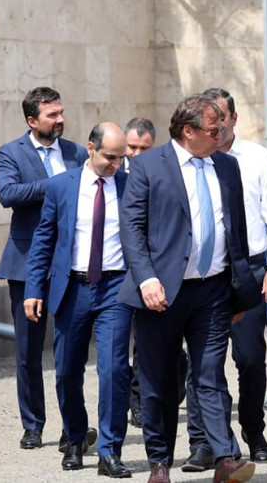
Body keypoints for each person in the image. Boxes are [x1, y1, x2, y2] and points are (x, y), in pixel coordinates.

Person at [117, 94, 261, 483]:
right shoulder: (148, 166)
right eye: (213, 130)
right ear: (188, 131)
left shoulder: (227, 166)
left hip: (213, 292)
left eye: (222, 128)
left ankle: (225, 458)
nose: (221, 135)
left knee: (211, 376)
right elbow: (132, 229)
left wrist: (240, 291)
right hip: (161, 294)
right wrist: (146, 279)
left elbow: (236, 230)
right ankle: (159, 462)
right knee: (160, 381)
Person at [24, 123, 133, 477]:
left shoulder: (129, 185)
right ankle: (74, 437)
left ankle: (109, 451)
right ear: (90, 148)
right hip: (72, 288)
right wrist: (33, 289)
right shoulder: (61, 186)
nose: (116, 164)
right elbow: (44, 240)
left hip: (115, 288)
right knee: (67, 370)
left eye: (121, 158)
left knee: (114, 370)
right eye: (110, 157)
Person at [181, 88, 267, 471]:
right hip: (203, 275)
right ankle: (204, 442)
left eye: (220, 118)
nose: (216, 127)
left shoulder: (256, 158)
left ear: (233, 119)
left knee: (251, 358)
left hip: (249, 270)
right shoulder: (186, 161)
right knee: (202, 364)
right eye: (208, 121)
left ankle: (253, 430)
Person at [0, 86, 88, 450]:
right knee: (29, 353)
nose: (60, 119)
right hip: (25, 264)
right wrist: (57, 185)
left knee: (70, 352)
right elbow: (8, 194)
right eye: (52, 115)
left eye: (61, 112)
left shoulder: (78, 152)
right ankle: (33, 424)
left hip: (71, 265)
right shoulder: (11, 152)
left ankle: (72, 427)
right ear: (33, 120)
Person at [123, 117, 157, 429]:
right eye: (131, 147)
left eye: (143, 148)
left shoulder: (156, 175)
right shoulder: (113, 174)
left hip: (146, 271)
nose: (135, 154)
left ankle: (140, 403)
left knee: (143, 344)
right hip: (114, 272)